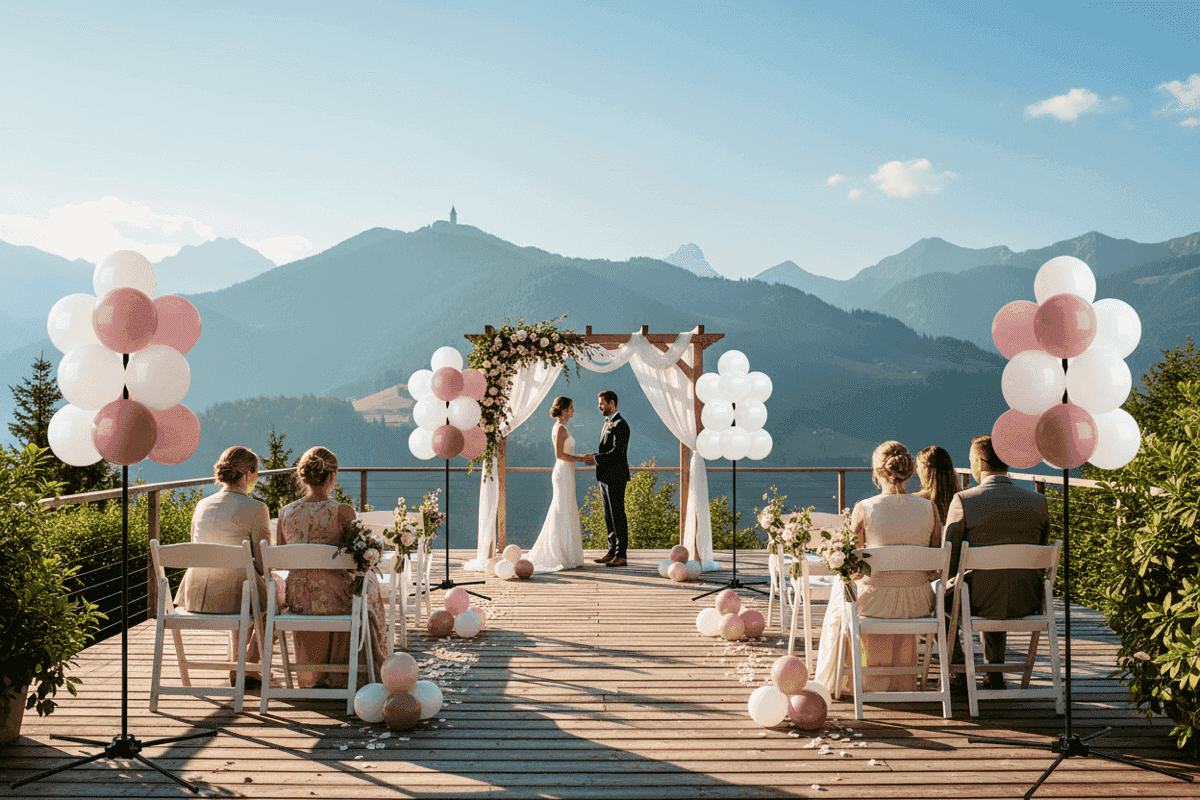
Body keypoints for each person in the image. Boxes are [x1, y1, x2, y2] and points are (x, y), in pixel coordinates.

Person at [813, 441, 942, 694]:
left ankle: (854, 680)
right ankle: (900, 679)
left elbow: (857, 569)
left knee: (842, 592)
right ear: (908, 471)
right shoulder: (930, 508)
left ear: (876, 471)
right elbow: (932, 567)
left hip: (875, 604)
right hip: (917, 603)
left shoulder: (865, 508)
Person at [943, 435, 1050, 689]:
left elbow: (949, 557)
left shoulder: (965, 501)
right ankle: (995, 671)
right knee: (997, 579)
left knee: (941, 593)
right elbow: (1041, 549)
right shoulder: (1038, 502)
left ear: (980, 462)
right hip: (1028, 600)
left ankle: (957, 670)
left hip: (979, 600)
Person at [278, 446, 387, 689]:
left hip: (298, 599)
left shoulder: (286, 513)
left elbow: (280, 559)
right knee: (368, 583)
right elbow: (357, 558)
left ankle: (314, 673)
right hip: (336, 599)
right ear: (332, 477)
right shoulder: (342, 512)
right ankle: (355, 669)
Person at [177, 446, 273, 688]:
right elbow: (264, 564)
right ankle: (248, 668)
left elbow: (195, 548)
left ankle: (237, 664)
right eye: (257, 473)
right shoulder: (256, 508)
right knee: (273, 601)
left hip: (194, 596)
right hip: (232, 598)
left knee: (246, 587)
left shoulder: (201, 505)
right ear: (249, 474)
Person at [527, 397, 589, 572]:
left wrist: (580, 459)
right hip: (563, 472)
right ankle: (561, 553)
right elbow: (560, 454)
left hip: (567, 472)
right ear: (563, 410)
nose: (573, 410)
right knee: (562, 509)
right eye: (571, 407)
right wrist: (581, 459)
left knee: (565, 509)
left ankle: (566, 552)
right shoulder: (561, 428)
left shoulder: (562, 427)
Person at [588, 390, 631, 567]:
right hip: (605, 477)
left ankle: (621, 555)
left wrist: (595, 459)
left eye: (602, 403)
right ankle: (611, 550)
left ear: (612, 403)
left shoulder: (621, 425)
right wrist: (595, 458)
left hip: (616, 477)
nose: (599, 406)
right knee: (608, 516)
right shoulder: (609, 423)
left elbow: (617, 453)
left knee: (618, 515)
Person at [916, 445, 959, 522]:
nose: (917, 470)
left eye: (918, 466)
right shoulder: (961, 499)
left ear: (927, 471)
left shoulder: (916, 500)